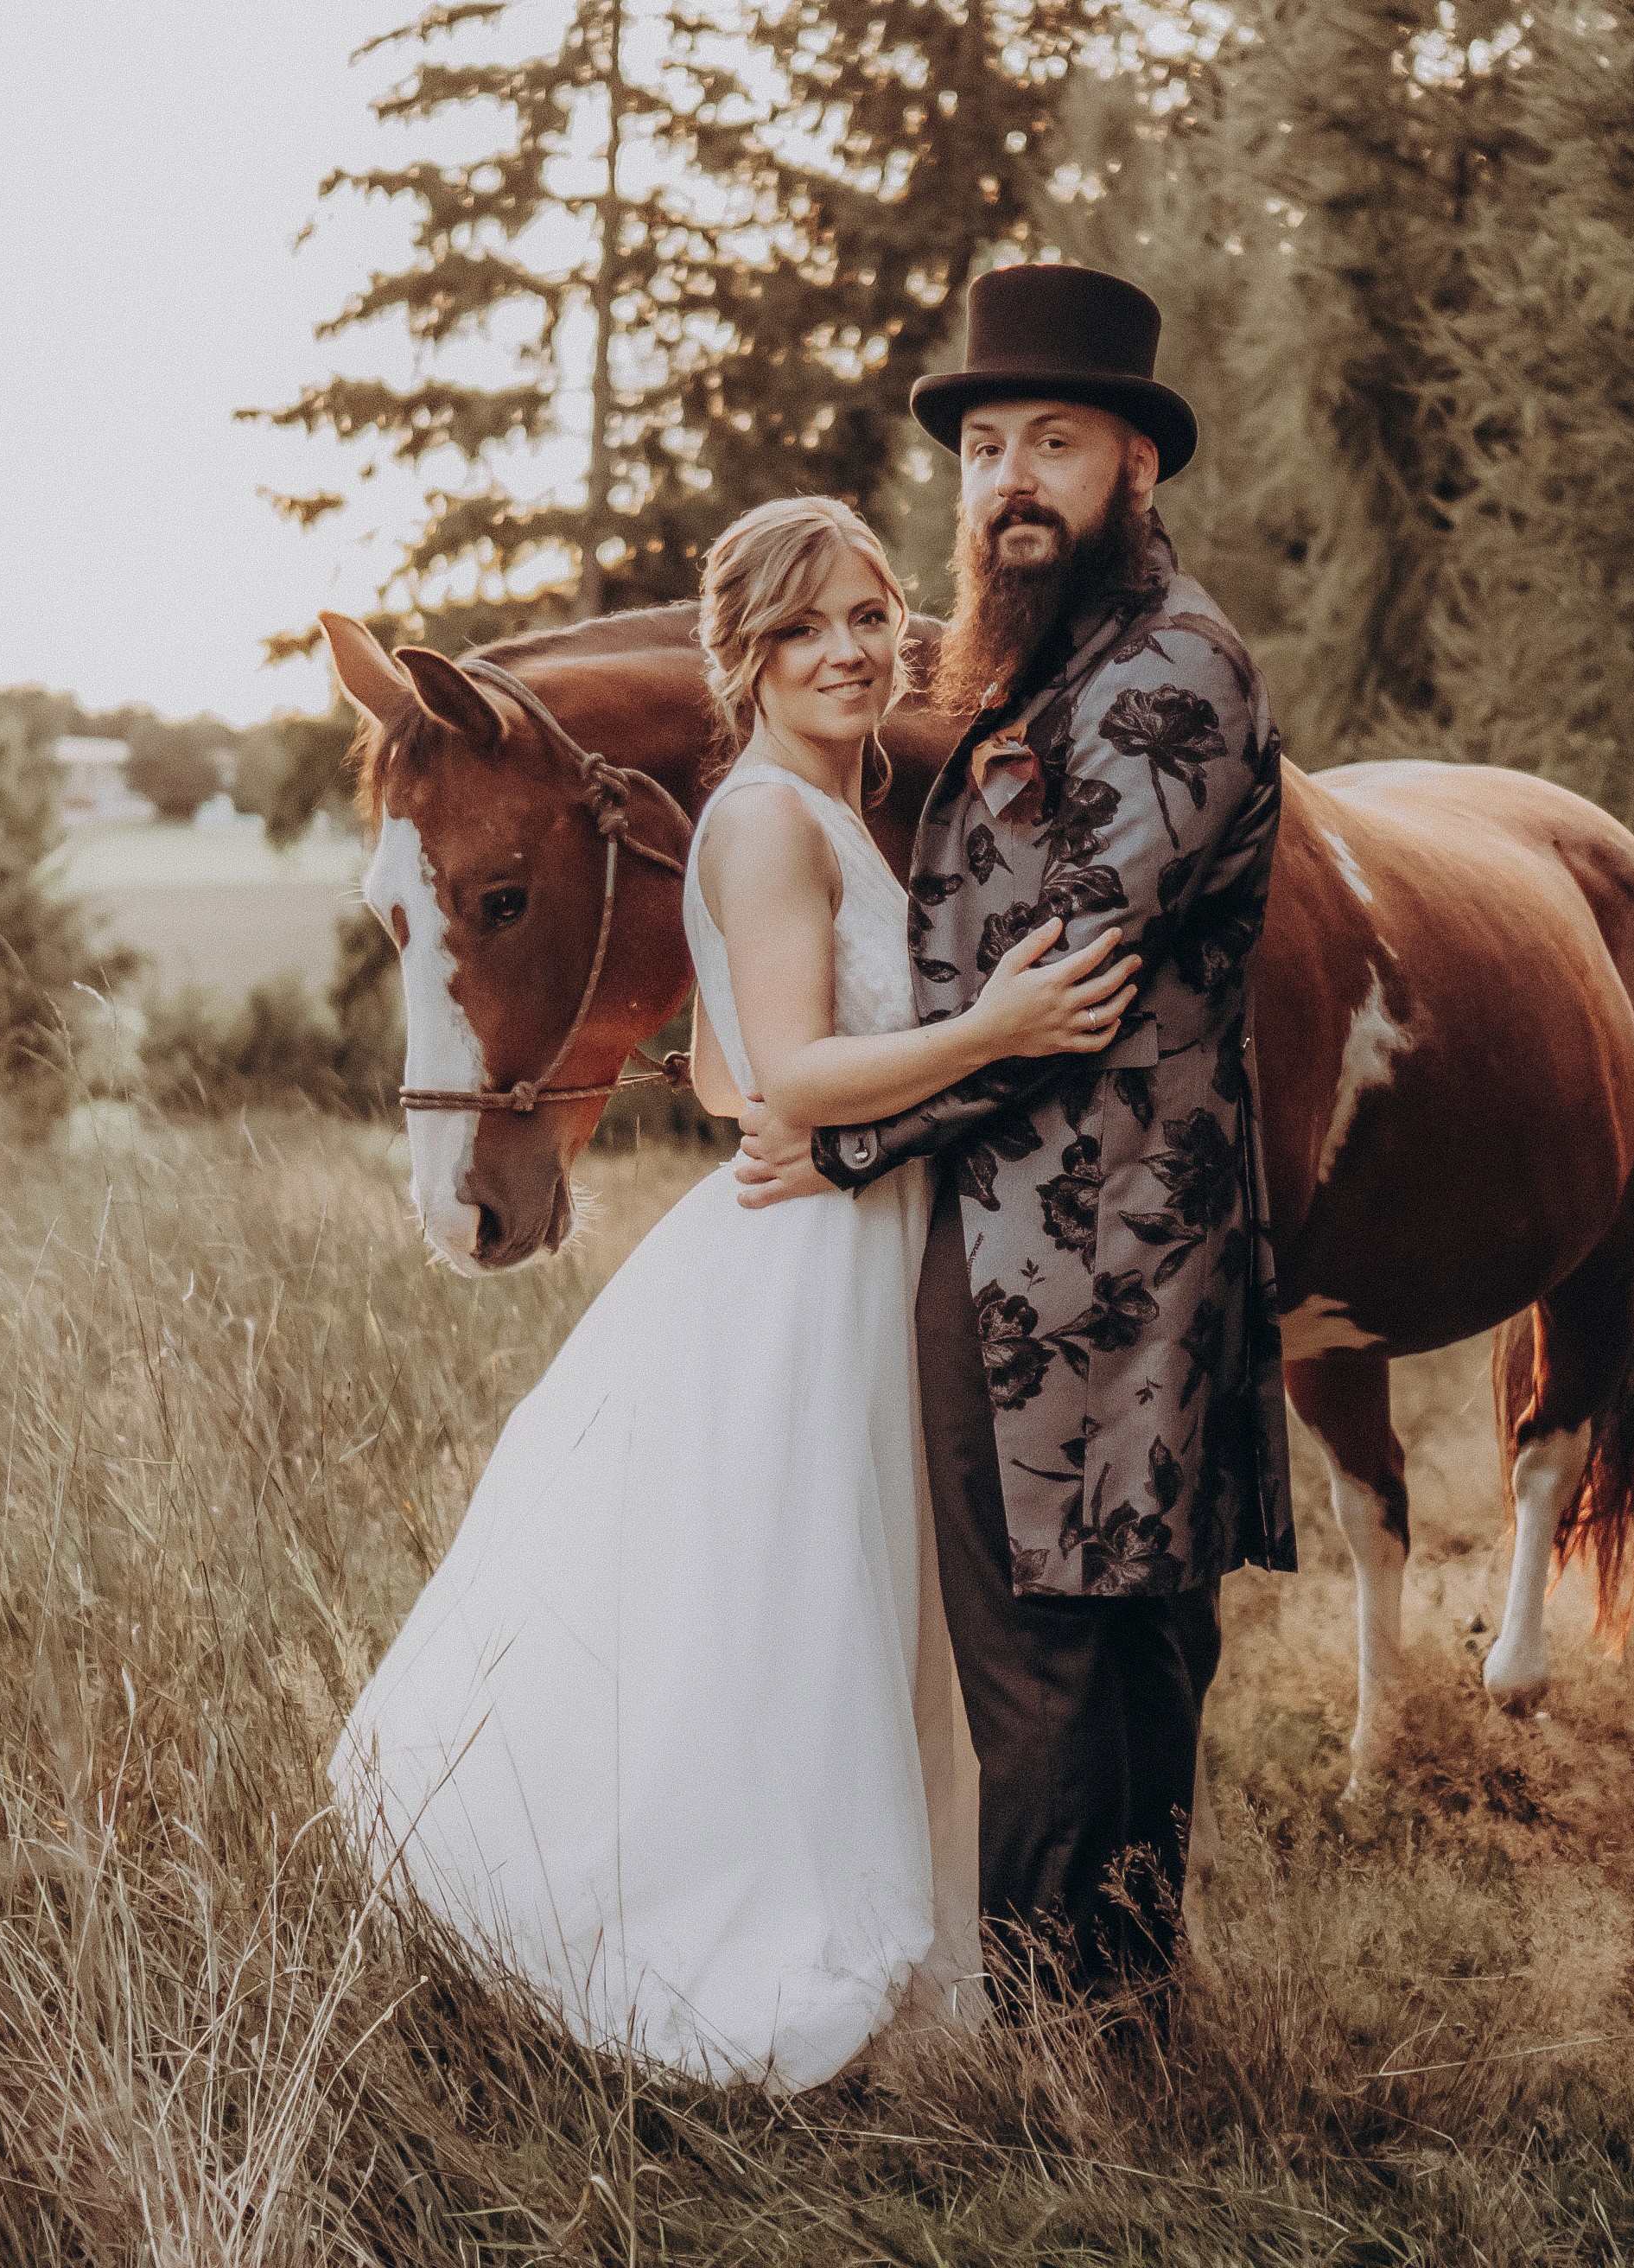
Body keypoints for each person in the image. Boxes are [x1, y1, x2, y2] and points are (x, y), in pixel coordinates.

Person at [328, 494, 1141, 2091]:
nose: (847, 651)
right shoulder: (771, 820)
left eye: (868, 616)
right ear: (744, 660)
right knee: (825, 1606)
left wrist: (793, 1095)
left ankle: (930, 1956)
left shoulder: (796, 811)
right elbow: (809, 1070)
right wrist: (1000, 1029)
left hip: (833, 1222)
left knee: (840, 1606)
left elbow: (719, 1074)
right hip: (831, 1256)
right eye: (801, 629)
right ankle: (814, 1944)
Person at [734, 264, 1293, 2005]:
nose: (1010, 480)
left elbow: (1053, 993)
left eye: (1054, 441)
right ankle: (1111, 2035)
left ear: (1139, 466)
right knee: (1100, 1656)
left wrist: (837, 1146)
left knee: (1069, 1660)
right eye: (984, 447)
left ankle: (1067, 2054)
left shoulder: (1170, 676)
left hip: (1101, 1264)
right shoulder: (1035, 676)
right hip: (1032, 1253)